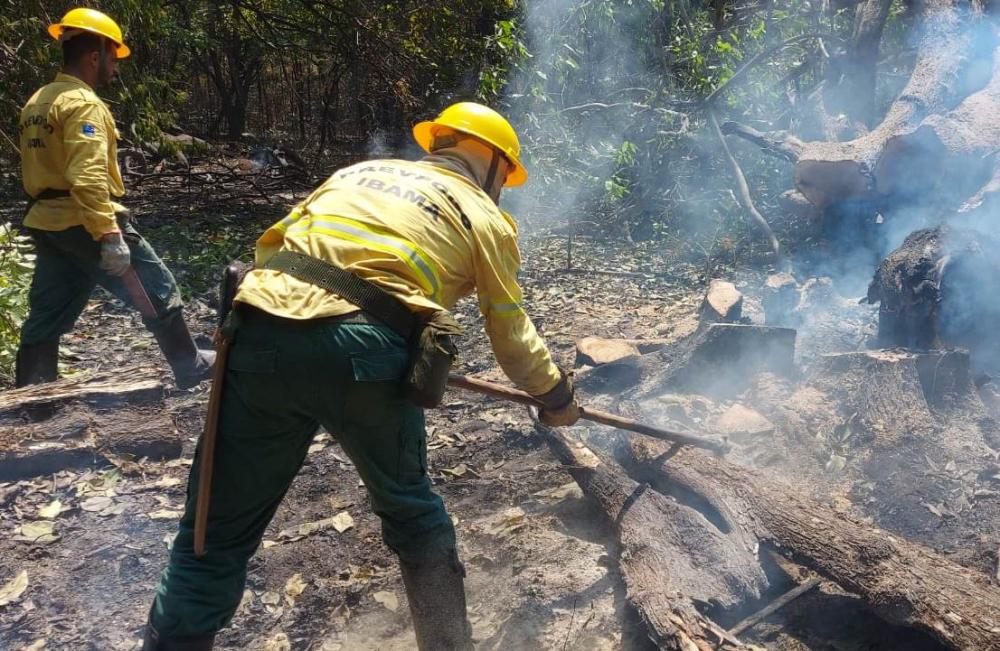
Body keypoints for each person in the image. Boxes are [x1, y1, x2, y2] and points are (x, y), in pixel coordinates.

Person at [142, 102, 580, 650]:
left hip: (258, 336)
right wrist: (555, 394)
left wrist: (298, 332)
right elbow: (511, 334)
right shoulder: (484, 216)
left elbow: (269, 250)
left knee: (214, 529)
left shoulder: (353, 174)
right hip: (365, 353)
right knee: (413, 515)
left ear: (441, 144)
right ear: (493, 164)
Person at [15, 8, 214, 390]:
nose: (116, 68)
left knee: (48, 312)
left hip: (48, 222)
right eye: (113, 58)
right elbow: (87, 176)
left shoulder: (39, 100)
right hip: (84, 221)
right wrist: (108, 234)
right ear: (95, 56)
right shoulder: (83, 104)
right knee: (156, 287)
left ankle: (33, 396)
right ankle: (190, 364)